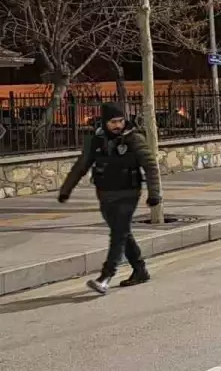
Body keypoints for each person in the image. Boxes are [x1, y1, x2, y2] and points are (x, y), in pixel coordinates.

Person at [58, 103, 162, 295]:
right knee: (122, 233)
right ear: (105, 122)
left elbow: (150, 166)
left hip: (129, 193)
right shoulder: (96, 141)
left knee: (118, 234)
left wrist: (154, 193)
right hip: (105, 194)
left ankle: (105, 277)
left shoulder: (134, 139)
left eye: (120, 121)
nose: (118, 125)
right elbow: (81, 166)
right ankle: (140, 270)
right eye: (113, 122)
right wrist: (66, 189)